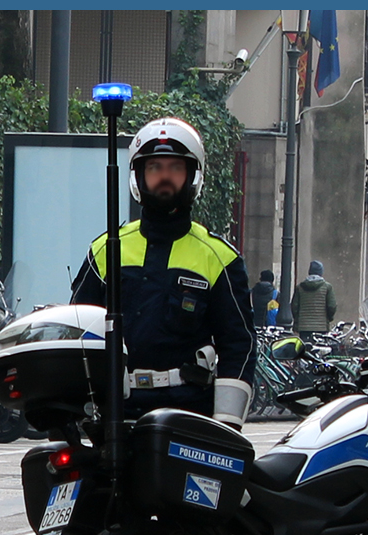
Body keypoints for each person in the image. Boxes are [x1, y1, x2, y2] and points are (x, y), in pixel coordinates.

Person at [71, 116, 255, 429]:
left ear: (193, 177)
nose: (164, 177)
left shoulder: (219, 258)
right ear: (139, 177)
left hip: (189, 415)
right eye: (155, 168)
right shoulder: (105, 250)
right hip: (116, 414)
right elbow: (76, 334)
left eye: (175, 168)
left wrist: (226, 424)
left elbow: (240, 345)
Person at [291, 260, 337, 341]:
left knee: (305, 349)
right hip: (321, 326)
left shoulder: (300, 287)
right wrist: (329, 318)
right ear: (321, 272)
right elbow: (331, 306)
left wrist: (298, 320)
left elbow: (294, 306)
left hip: (303, 326)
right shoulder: (327, 287)